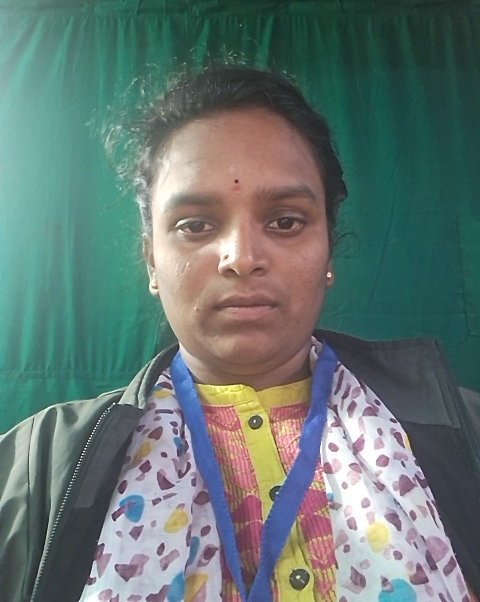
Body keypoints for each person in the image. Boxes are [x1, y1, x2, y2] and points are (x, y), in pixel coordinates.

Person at [1, 66, 479, 602]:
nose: (242, 258)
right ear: (152, 260)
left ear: (329, 248)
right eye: (195, 225)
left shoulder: (465, 436)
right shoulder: (35, 466)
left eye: (286, 221)